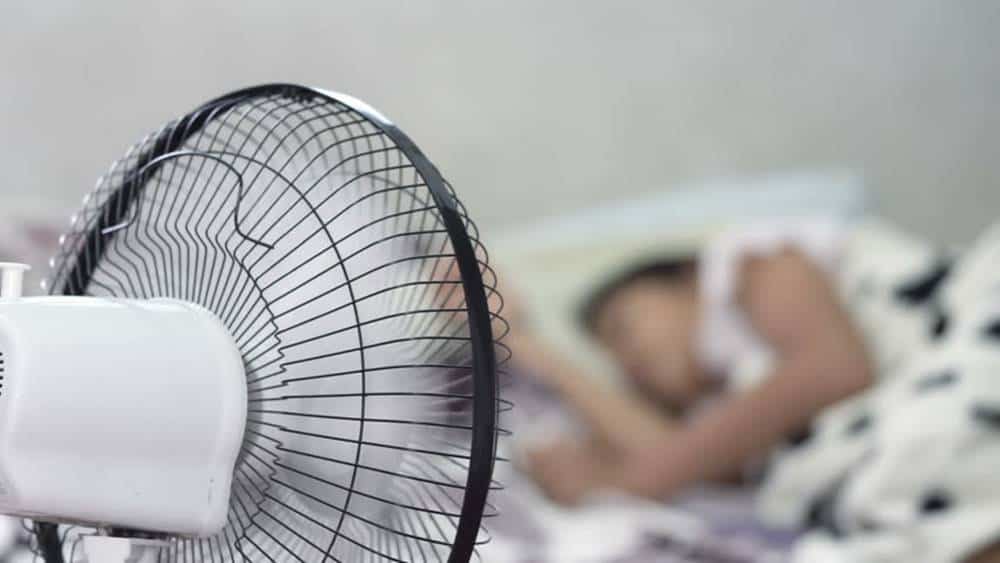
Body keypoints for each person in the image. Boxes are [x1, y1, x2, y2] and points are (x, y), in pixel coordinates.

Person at [509, 216, 1000, 562]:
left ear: (687, 277)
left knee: (921, 456)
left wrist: (628, 480)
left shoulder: (750, 262)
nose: (630, 362)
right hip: (891, 454)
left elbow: (833, 369)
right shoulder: (738, 397)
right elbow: (682, 455)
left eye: (623, 328)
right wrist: (527, 346)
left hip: (963, 339)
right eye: (617, 363)